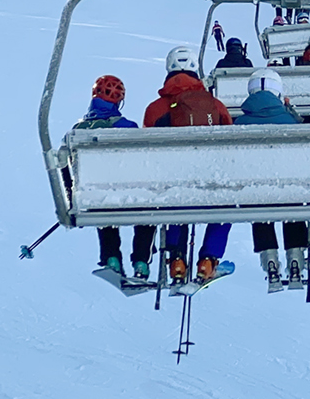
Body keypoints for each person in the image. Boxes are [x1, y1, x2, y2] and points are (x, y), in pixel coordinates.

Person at [142, 46, 236, 283]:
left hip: (172, 182)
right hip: (210, 180)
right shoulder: (215, 105)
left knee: (173, 203)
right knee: (226, 206)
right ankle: (209, 259)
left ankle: (176, 259)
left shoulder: (155, 109)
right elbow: (231, 142)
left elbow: (145, 148)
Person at [70, 75, 150, 279]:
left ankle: (111, 257)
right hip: (131, 194)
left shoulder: (78, 130)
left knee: (99, 198)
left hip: (98, 197)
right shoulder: (127, 127)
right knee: (148, 204)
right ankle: (141, 260)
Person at [236, 72, 307, 289]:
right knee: (292, 195)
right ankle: (295, 256)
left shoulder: (240, 123)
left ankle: (270, 259)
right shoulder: (291, 122)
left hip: (257, 191)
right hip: (289, 190)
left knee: (258, 199)